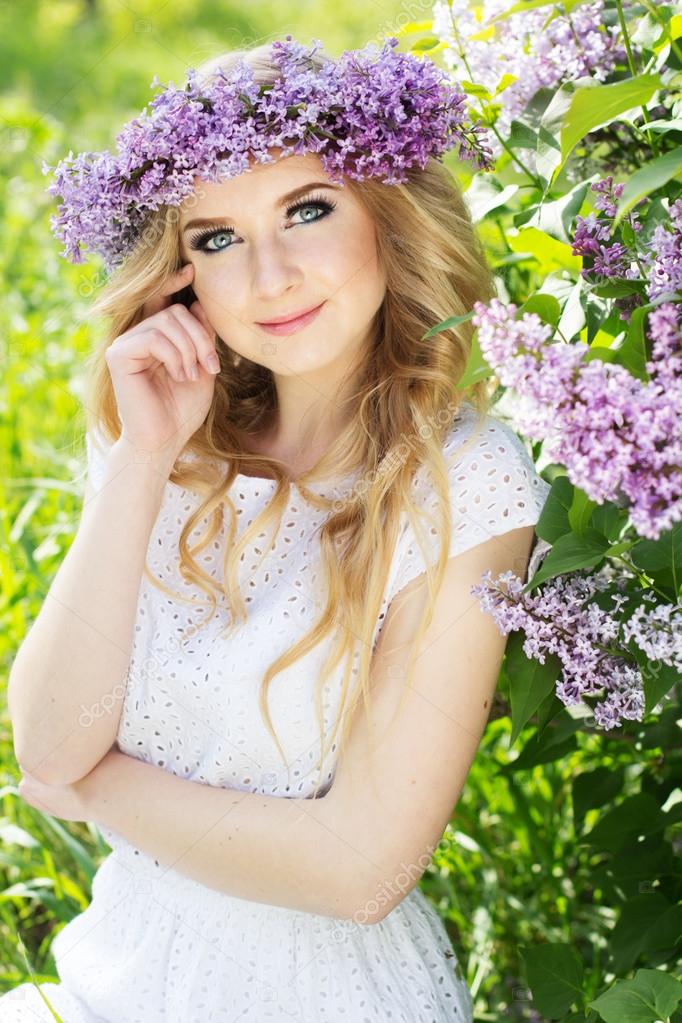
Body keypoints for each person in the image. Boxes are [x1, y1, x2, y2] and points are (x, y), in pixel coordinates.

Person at [4, 35, 551, 1021]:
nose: (268, 276)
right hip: (108, 980)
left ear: (386, 216)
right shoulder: (163, 435)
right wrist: (139, 461)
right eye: (216, 238)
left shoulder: (465, 481)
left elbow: (359, 868)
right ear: (180, 277)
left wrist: (93, 795)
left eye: (307, 210)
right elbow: (45, 740)